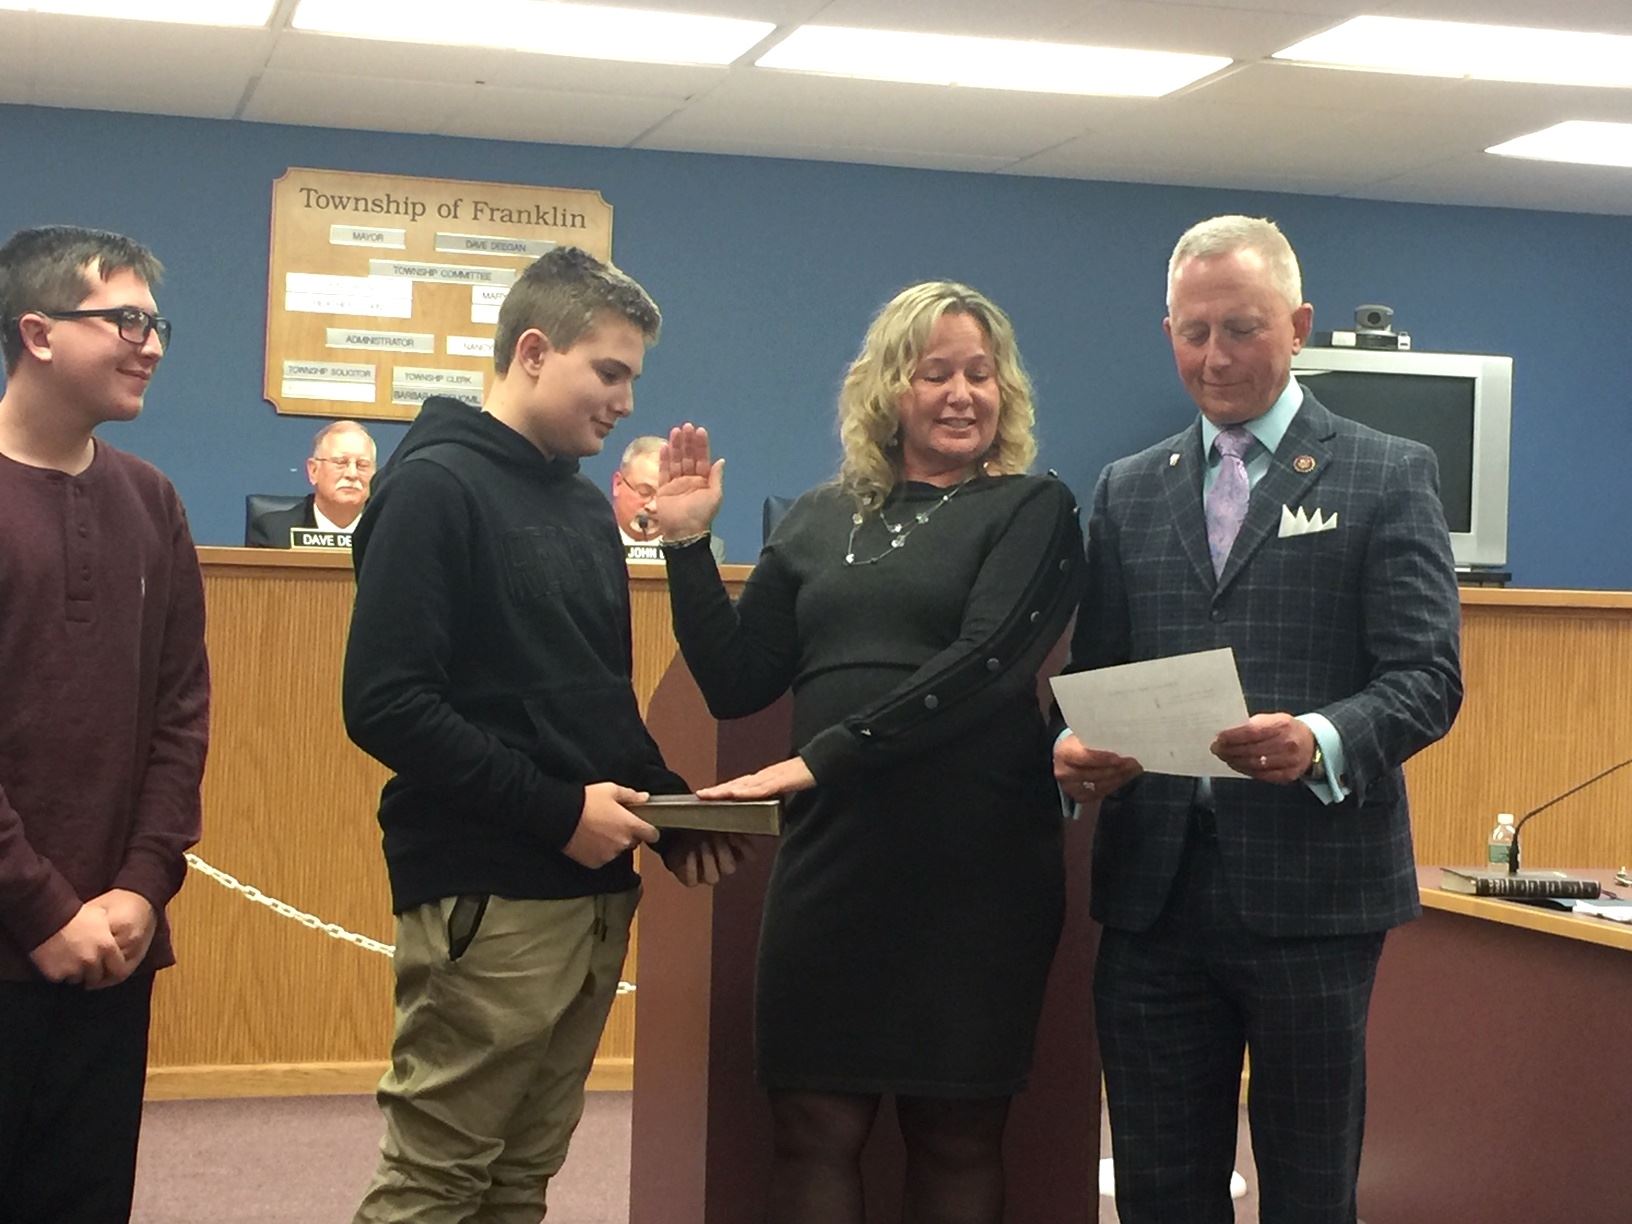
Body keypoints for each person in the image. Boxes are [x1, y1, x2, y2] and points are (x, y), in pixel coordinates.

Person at [1053, 215, 1462, 1224]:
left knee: (1310, 1186)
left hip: (1315, 900)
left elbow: (1426, 677)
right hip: (1152, 898)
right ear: (1168, 333)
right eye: (1194, 332)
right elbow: (1094, 669)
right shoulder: (1128, 488)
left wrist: (1320, 739)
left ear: (1298, 325)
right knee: (1158, 1185)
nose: (1215, 355)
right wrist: (1071, 750)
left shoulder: (1385, 471)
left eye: (1240, 328)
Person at [654, 281, 1086, 1224]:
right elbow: (738, 681)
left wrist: (821, 758)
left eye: (983, 374)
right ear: (888, 389)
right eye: (935, 373)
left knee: (956, 1133)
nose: (963, 394)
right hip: (836, 863)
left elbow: (986, 666)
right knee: (812, 1125)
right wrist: (688, 548)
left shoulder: (1032, 507)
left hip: (976, 869)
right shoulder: (817, 516)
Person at [341, 246, 745, 1224]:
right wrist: (558, 811)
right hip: (491, 889)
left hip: (596, 891)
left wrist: (670, 801)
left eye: (633, 378)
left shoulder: (577, 501)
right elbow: (386, 703)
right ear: (532, 350)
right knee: (436, 1187)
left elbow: (593, 702)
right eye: (608, 372)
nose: (624, 400)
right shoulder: (433, 487)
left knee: (519, 1184)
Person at [0, 225, 209, 1222]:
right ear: (37, 332)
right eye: (124, 319)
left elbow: (180, 712)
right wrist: (44, 912)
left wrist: (142, 885)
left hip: (116, 947)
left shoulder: (152, 502)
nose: (151, 342)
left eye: (155, 321)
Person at [246, 418, 376, 546]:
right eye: (340, 463)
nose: (352, 474)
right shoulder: (274, 533)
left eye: (362, 465)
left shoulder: (391, 533)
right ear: (313, 471)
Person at [612, 432, 725, 561]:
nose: (653, 506)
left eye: (663, 496)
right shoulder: (588, 539)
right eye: (644, 492)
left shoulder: (706, 550)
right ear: (617, 484)